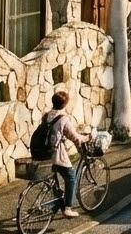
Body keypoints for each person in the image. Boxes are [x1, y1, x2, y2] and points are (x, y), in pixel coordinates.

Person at [43, 90, 87, 218]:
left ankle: (57, 202)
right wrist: (88, 137)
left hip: (44, 153)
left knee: (54, 179)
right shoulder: (63, 119)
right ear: (65, 104)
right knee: (71, 177)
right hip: (56, 155)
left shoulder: (46, 115)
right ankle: (67, 208)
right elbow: (75, 138)